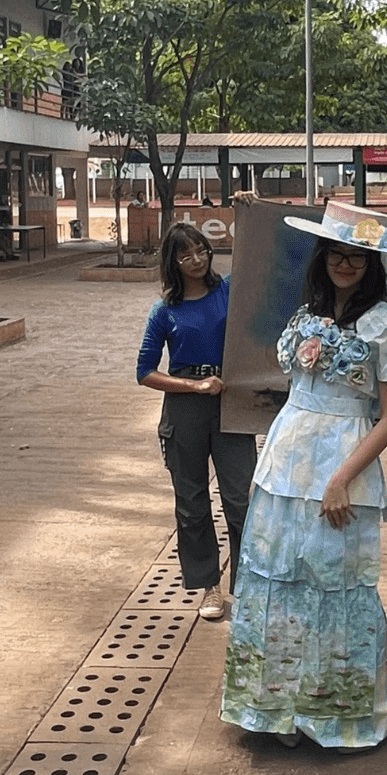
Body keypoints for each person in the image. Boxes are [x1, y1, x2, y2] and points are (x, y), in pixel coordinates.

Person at [219, 202, 387, 750]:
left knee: (335, 587)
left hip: (343, 460)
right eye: (337, 254)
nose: (346, 264)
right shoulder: (306, 311)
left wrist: (341, 479)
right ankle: (276, 710)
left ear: (372, 262)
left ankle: (336, 715)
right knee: (276, 579)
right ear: (323, 256)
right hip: (285, 460)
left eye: (357, 256)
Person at [136, 224, 258, 623]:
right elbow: (145, 372)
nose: (196, 260)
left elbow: (259, 258)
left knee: (241, 501)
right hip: (185, 410)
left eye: (201, 250)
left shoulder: (229, 291)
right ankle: (209, 586)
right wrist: (192, 385)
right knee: (192, 504)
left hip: (230, 404)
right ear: (172, 263)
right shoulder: (165, 310)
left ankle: (249, 588)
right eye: (185, 255)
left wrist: (248, 207)